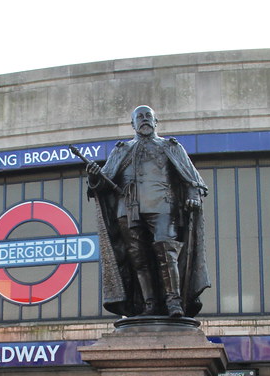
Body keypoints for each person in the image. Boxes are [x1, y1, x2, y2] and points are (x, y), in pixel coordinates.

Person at [85, 105, 210, 318]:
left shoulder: (170, 147)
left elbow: (191, 178)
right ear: (132, 124)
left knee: (165, 248)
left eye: (148, 116)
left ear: (155, 121)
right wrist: (94, 176)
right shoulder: (121, 149)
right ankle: (149, 303)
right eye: (139, 117)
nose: (144, 120)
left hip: (162, 204)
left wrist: (192, 194)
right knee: (138, 257)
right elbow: (103, 182)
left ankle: (173, 302)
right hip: (127, 209)